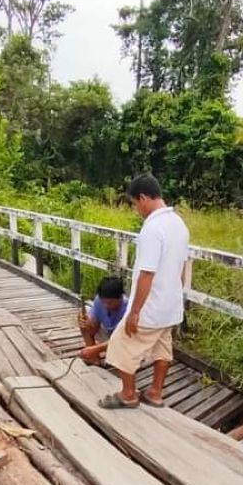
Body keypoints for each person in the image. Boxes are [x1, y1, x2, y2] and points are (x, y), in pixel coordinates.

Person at [100, 174, 189, 409]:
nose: (136, 209)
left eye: (134, 204)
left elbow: (146, 274)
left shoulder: (153, 228)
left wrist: (135, 311)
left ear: (143, 198)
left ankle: (128, 394)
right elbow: (180, 268)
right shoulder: (178, 224)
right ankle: (155, 393)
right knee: (162, 346)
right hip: (171, 304)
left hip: (152, 304)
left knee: (122, 343)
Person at [78, 276, 128, 365]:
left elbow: (121, 339)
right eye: (103, 302)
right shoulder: (99, 300)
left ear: (120, 298)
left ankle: (94, 352)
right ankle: (94, 358)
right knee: (82, 316)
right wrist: (89, 324)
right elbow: (94, 329)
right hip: (108, 335)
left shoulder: (128, 308)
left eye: (110, 303)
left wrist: (95, 349)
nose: (105, 306)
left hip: (123, 341)